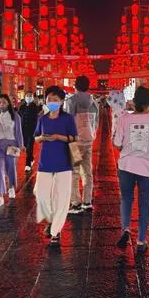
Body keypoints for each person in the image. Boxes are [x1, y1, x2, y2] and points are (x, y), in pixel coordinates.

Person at [114, 86, 149, 253]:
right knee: (144, 203)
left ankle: (126, 229)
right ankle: (141, 240)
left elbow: (117, 143)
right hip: (147, 168)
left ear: (134, 102)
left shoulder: (124, 119)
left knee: (126, 199)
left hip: (126, 165)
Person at [34, 86, 78, 247]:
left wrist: (59, 137)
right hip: (45, 162)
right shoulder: (43, 119)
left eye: (55, 100)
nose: (52, 102)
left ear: (61, 101)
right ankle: (52, 220)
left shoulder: (68, 119)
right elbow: (36, 138)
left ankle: (55, 232)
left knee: (62, 198)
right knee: (41, 194)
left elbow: (74, 138)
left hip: (64, 162)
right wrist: (42, 138)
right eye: (49, 99)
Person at [64, 75, 99, 214]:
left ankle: (75, 203)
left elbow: (68, 121)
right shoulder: (93, 102)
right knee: (87, 171)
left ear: (75, 86)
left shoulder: (71, 101)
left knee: (74, 171)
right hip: (88, 141)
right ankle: (87, 201)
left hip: (75, 142)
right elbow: (96, 122)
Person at [0, 94, 24, 208]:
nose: (1, 104)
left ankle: (11, 187)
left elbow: (18, 132)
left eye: (4, 102)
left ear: (8, 103)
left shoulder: (15, 116)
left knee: (11, 168)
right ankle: (0, 197)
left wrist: (21, 145)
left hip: (11, 145)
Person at [19, 90, 40, 172]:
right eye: (27, 95)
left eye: (30, 96)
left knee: (30, 146)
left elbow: (37, 118)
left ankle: (28, 164)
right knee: (24, 146)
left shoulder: (35, 107)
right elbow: (19, 116)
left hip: (32, 130)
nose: (28, 97)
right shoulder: (22, 106)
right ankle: (31, 158)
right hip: (23, 129)